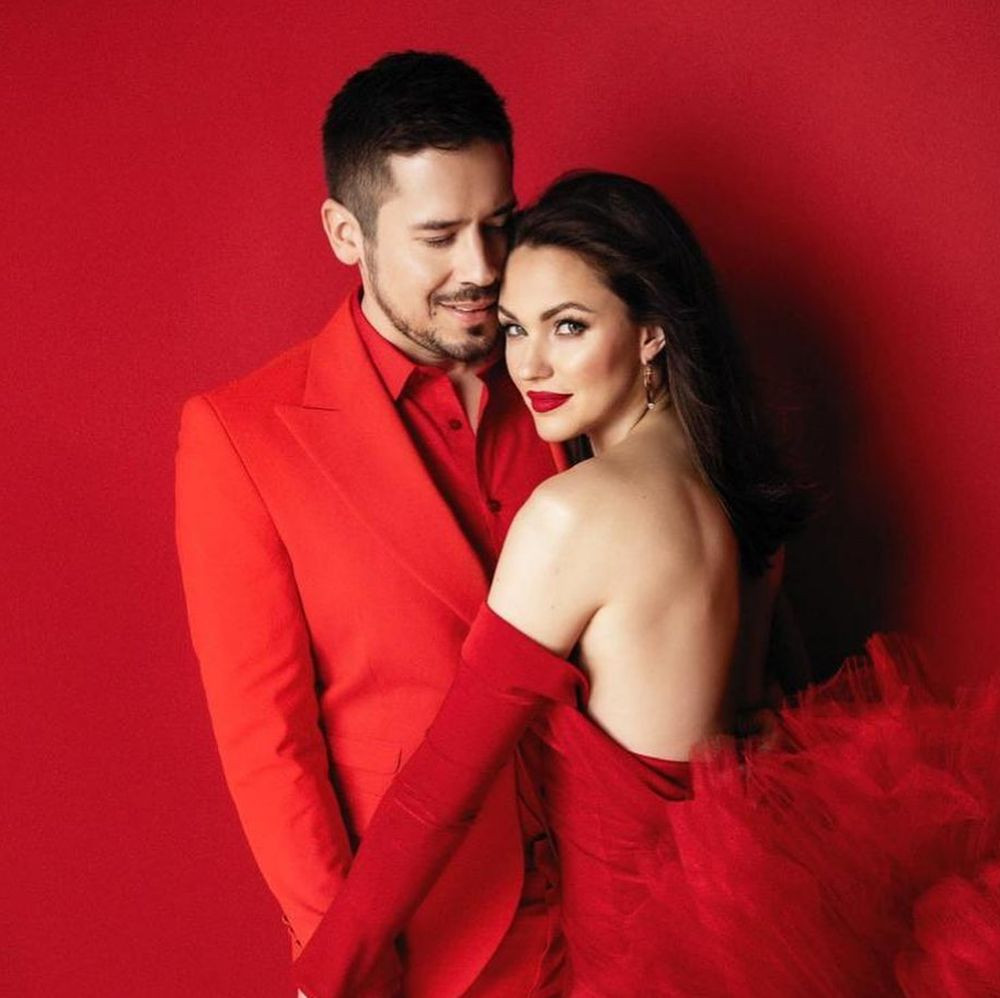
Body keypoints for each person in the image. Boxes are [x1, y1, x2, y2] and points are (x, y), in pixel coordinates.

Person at [294, 172, 1000, 997]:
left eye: (568, 325)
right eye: (515, 328)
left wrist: (325, 975)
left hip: (635, 963)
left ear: (652, 333)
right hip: (748, 937)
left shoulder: (573, 517)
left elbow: (440, 790)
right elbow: (761, 721)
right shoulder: (737, 497)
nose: (530, 362)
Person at [175, 52, 568, 996]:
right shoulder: (241, 436)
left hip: (631, 907)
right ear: (345, 233)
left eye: (499, 224)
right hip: (439, 944)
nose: (482, 269)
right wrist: (351, 967)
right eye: (439, 236)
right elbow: (271, 749)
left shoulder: (576, 370)